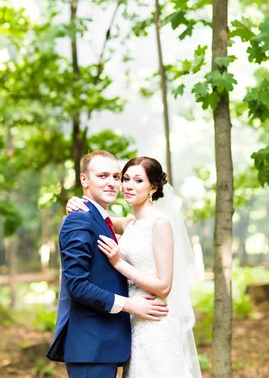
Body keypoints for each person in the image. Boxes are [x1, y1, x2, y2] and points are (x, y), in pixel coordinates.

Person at [67, 156, 202, 378]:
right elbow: (98, 218)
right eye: (126, 178)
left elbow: (164, 286)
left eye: (138, 181)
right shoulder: (130, 224)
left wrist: (119, 263)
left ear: (154, 186)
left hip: (154, 320)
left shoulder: (160, 223)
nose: (128, 186)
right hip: (132, 323)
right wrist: (75, 203)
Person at [46, 150, 169, 378]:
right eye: (103, 176)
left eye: (115, 176)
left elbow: (129, 225)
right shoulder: (79, 219)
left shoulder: (103, 218)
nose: (112, 183)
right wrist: (130, 305)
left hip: (107, 343)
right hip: (90, 345)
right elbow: (77, 285)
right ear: (84, 180)